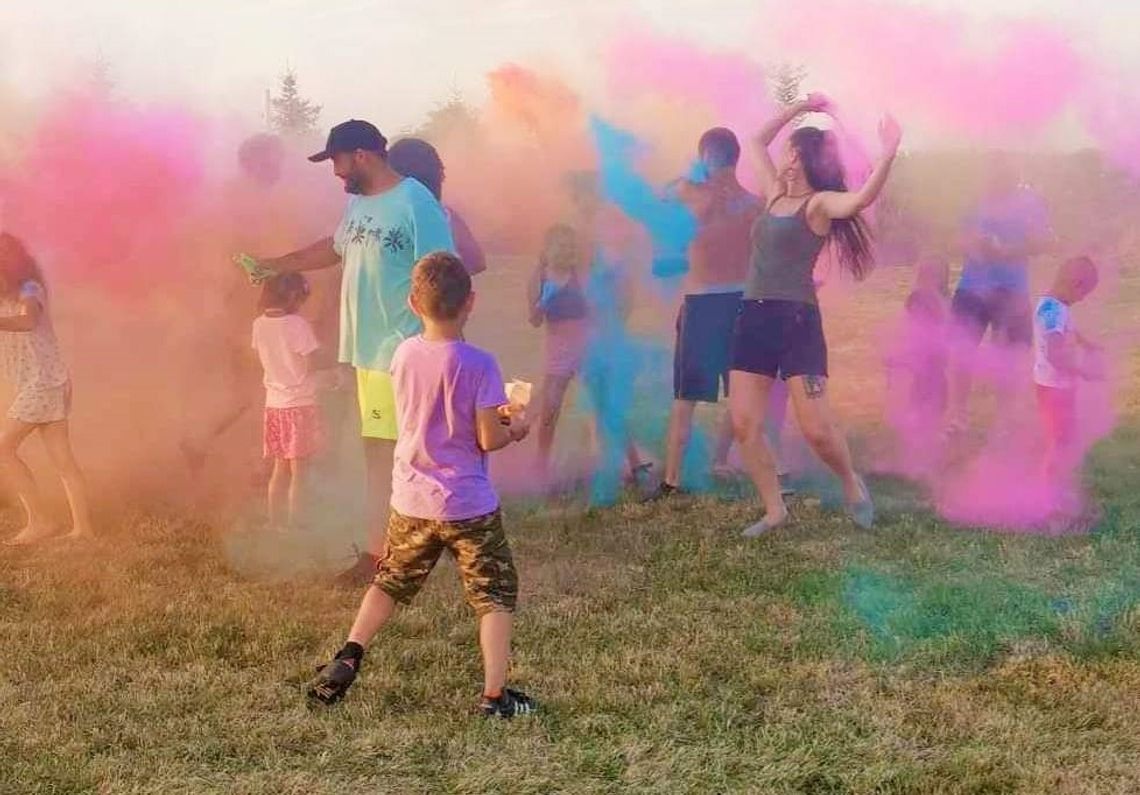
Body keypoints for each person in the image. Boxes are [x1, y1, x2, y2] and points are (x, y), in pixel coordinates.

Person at [308, 252, 535, 718]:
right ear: (470, 301)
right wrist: (516, 425)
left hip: (411, 498)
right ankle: (495, 698)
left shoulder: (403, 354)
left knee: (390, 580)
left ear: (414, 303)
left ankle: (349, 654)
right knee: (493, 595)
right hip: (467, 504)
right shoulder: (481, 364)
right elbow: (488, 438)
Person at [250, 120, 456, 585]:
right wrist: (279, 264)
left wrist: (439, 346)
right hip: (366, 354)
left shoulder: (415, 201)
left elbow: (445, 272)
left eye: (337, 162)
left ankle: (390, 551)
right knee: (385, 453)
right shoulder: (359, 204)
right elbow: (335, 248)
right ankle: (388, 549)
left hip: (402, 350)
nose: (335, 173)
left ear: (362, 155)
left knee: (406, 452)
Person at [729, 93, 901, 537]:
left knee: (817, 431)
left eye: (790, 148)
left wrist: (889, 151)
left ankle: (850, 483)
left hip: (797, 322)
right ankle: (774, 510)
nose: (782, 153)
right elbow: (754, 140)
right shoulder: (773, 195)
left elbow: (861, 199)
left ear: (802, 157)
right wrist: (800, 108)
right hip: (753, 316)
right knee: (744, 423)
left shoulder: (820, 204)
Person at [657, 128, 791, 497]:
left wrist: (690, 174)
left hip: (702, 305)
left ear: (705, 158)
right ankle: (774, 471)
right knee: (745, 394)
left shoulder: (690, 195)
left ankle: (672, 481)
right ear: (737, 158)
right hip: (743, 304)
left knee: (686, 399)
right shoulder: (753, 204)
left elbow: (660, 195)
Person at [0, 233, 94, 544]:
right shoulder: (6, 295)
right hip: (48, 383)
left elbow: (28, 321)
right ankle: (83, 530)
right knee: (63, 461)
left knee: (3, 448)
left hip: (43, 384)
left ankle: (39, 522)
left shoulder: (30, 289)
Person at [948, 155, 1051, 433]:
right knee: (962, 352)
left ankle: (1006, 420)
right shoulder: (975, 200)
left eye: (1002, 173)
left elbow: (1042, 242)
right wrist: (974, 243)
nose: (995, 179)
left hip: (1012, 291)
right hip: (972, 288)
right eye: (991, 173)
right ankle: (958, 417)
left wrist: (1005, 251)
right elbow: (957, 239)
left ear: (1013, 173)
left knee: (1008, 357)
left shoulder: (1030, 203)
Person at [251, 273, 325, 529]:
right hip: (299, 404)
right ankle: (296, 525)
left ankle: (275, 523)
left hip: (274, 405)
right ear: (293, 296)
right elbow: (311, 360)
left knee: (278, 469)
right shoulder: (296, 325)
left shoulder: (258, 324)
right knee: (299, 473)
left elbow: (261, 354)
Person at [1032, 255, 1101, 525]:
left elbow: (1069, 328)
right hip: (1054, 390)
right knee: (1059, 444)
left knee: (1065, 441)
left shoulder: (1054, 305)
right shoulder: (1053, 312)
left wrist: (1086, 344)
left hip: (1057, 388)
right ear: (1076, 283)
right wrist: (1084, 372)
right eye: (1084, 293)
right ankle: (1049, 501)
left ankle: (1058, 493)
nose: (1082, 299)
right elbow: (1054, 354)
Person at [527, 223, 591, 481]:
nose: (567, 250)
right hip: (558, 347)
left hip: (586, 343)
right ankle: (541, 463)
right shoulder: (540, 276)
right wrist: (544, 302)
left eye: (570, 245)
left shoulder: (581, 273)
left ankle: (612, 461)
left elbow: (597, 307)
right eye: (561, 245)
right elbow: (533, 320)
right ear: (548, 249)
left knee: (599, 402)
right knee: (550, 406)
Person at [884, 255, 951, 476]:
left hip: (933, 368)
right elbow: (912, 331)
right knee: (922, 408)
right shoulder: (919, 299)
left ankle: (923, 454)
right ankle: (918, 457)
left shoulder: (942, 300)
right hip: (924, 368)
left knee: (931, 408)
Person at [388, 137, 486, 275]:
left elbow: (477, 262)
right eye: (440, 171)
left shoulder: (384, 213)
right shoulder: (444, 215)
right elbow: (476, 262)